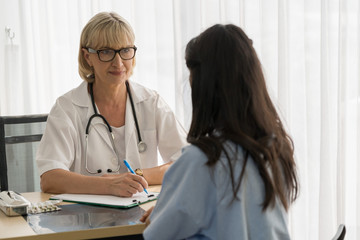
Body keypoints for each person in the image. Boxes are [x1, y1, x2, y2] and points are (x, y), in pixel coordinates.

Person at [140, 24, 299, 239]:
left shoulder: (202, 160)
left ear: (203, 86)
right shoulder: (274, 148)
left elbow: (157, 234)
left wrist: (161, 213)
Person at [36, 12, 187, 197]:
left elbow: (187, 163)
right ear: (87, 56)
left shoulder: (151, 102)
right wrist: (109, 185)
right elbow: (50, 179)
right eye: (106, 52)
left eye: (125, 51)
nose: (118, 62)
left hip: (143, 212)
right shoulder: (67, 108)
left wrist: (135, 177)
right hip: (86, 219)